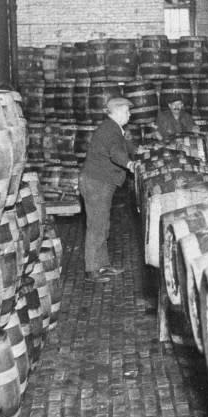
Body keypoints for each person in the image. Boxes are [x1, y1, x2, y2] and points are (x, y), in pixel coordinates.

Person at [79, 97, 136, 282]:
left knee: (102, 224)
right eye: (127, 111)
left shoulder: (113, 128)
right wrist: (130, 164)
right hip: (97, 182)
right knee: (97, 226)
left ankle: (102, 265)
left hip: (100, 181)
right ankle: (92, 270)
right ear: (117, 111)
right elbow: (115, 152)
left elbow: (124, 146)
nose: (130, 114)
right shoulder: (110, 129)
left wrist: (141, 151)